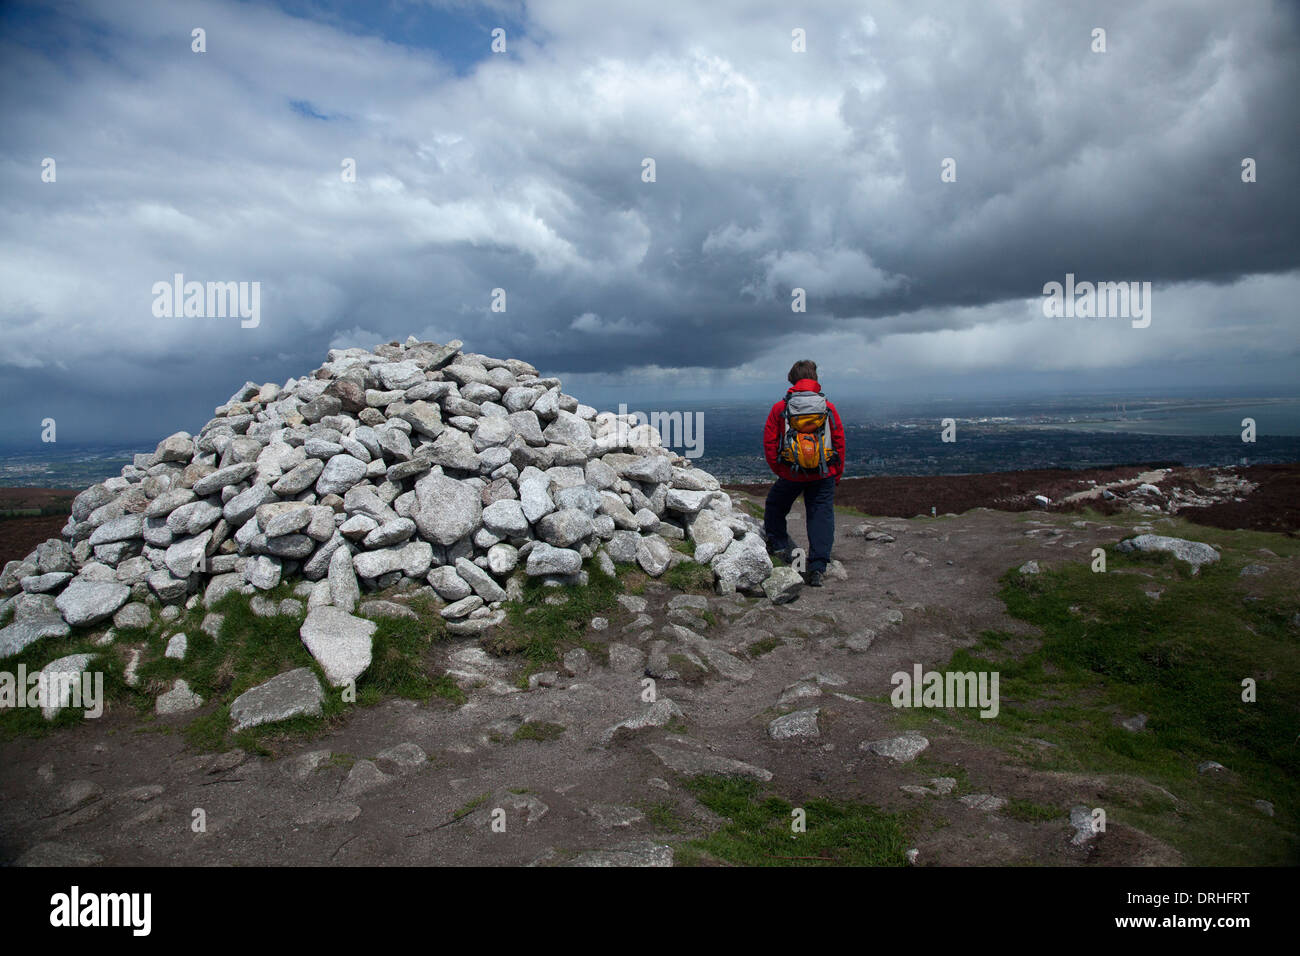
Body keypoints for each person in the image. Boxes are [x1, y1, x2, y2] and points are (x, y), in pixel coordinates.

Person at [762, 359, 845, 587]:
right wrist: (835, 473)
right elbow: (838, 441)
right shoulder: (828, 407)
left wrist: (780, 468)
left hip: (791, 473)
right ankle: (817, 567)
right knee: (821, 516)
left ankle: (779, 546)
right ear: (814, 379)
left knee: (775, 506)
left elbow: (770, 442)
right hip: (823, 473)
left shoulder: (781, 408)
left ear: (792, 379)